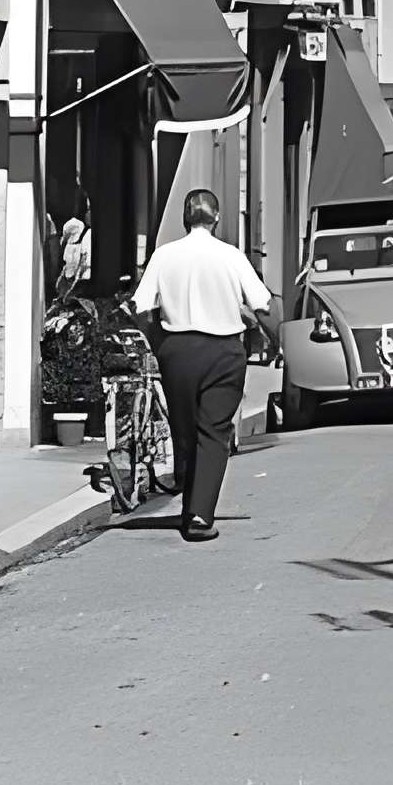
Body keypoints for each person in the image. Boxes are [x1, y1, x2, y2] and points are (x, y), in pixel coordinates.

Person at [129, 188, 279, 542]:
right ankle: (198, 514)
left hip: (177, 350)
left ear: (185, 219)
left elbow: (138, 308)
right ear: (216, 219)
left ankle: (189, 498)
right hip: (224, 352)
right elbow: (264, 304)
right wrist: (274, 341)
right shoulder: (230, 256)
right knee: (213, 431)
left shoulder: (164, 256)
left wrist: (159, 341)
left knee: (184, 429)